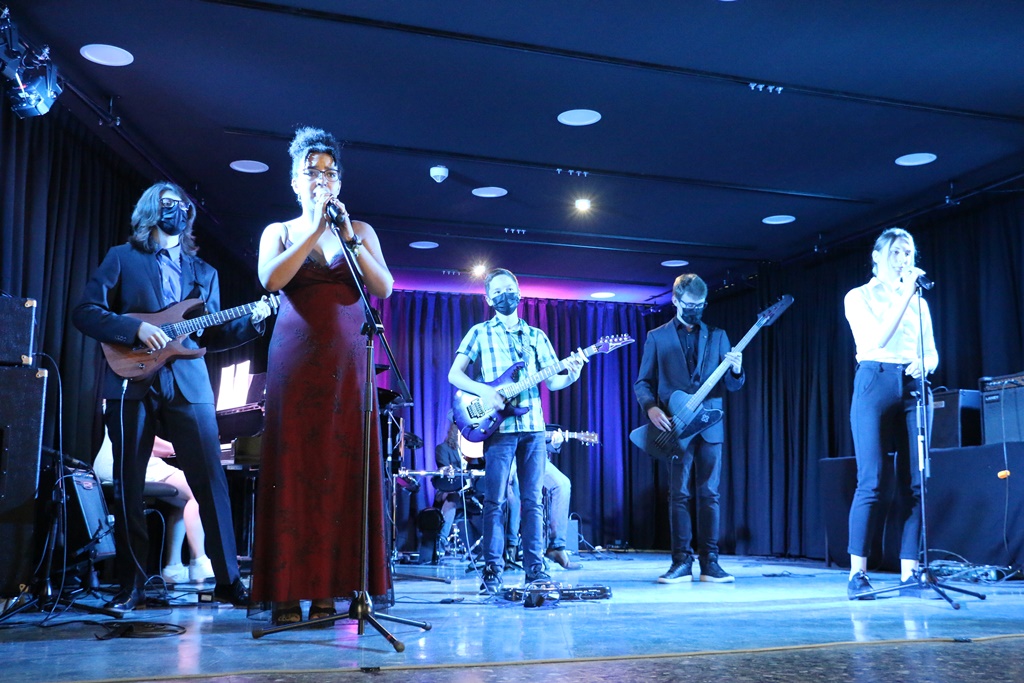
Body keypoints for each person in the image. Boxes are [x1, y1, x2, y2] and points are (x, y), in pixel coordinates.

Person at [73, 181, 269, 612]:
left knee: (212, 480)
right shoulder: (122, 258)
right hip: (132, 377)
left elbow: (210, 336)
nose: (176, 210)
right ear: (150, 209)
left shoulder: (205, 273)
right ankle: (132, 585)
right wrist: (135, 328)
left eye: (182, 205)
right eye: (167, 204)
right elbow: (85, 312)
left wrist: (253, 322)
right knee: (128, 481)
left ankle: (228, 581)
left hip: (189, 383)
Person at [251, 127, 394, 626]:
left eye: (330, 173)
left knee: (341, 473)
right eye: (312, 172)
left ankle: (332, 588)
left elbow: (384, 287)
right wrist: (314, 228)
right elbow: (271, 279)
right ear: (295, 181)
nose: (322, 179)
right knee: (295, 472)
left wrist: (348, 234)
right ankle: (288, 591)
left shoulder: (361, 231)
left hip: (349, 367)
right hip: (296, 363)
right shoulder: (280, 230)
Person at [448, 268, 586, 595]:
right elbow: (455, 375)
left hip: (533, 427)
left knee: (532, 501)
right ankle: (492, 570)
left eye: (509, 289)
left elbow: (552, 381)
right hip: (499, 429)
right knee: (495, 500)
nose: (505, 295)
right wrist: (486, 392)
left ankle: (535, 570)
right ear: (488, 299)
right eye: (497, 291)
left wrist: (573, 373)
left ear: (520, 292)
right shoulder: (479, 333)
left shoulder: (536, 336)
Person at [843, 227, 937, 599]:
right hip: (874, 380)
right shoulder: (859, 296)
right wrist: (905, 294)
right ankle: (858, 573)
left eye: (908, 252)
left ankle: (910, 572)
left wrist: (926, 363)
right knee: (873, 479)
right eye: (896, 252)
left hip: (913, 386)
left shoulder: (919, 303)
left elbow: (932, 350)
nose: (903, 259)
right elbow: (877, 338)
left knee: (917, 482)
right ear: (877, 256)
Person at [634, 273, 744, 584]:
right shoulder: (657, 337)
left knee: (710, 494)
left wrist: (737, 370)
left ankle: (711, 563)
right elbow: (643, 382)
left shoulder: (719, 336)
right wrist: (651, 408)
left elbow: (732, 385)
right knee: (679, 495)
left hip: (711, 426)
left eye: (700, 305)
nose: (695, 310)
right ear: (675, 300)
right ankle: (681, 562)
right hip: (676, 426)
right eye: (689, 305)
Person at [94, 432, 214, 584]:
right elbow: (148, 438)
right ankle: (199, 561)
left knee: (183, 501)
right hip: (125, 462)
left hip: (112, 462)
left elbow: (147, 444)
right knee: (198, 490)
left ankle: (174, 568)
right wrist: (187, 446)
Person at [504, 428, 581, 570]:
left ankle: (556, 546)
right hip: (509, 453)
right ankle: (511, 546)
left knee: (562, 484)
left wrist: (555, 443)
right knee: (514, 481)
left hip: (534, 454)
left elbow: (543, 438)